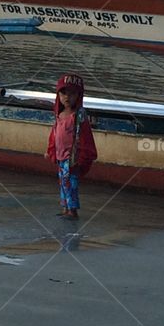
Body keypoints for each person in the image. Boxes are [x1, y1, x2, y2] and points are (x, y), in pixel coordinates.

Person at [45, 74, 98, 219]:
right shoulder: (59, 114)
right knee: (63, 183)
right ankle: (65, 208)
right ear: (58, 95)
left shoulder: (78, 115)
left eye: (72, 94)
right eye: (63, 93)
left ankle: (72, 211)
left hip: (72, 158)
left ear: (78, 96)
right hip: (61, 157)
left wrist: (83, 157)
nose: (67, 97)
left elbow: (85, 136)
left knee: (71, 184)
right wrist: (50, 150)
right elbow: (54, 134)